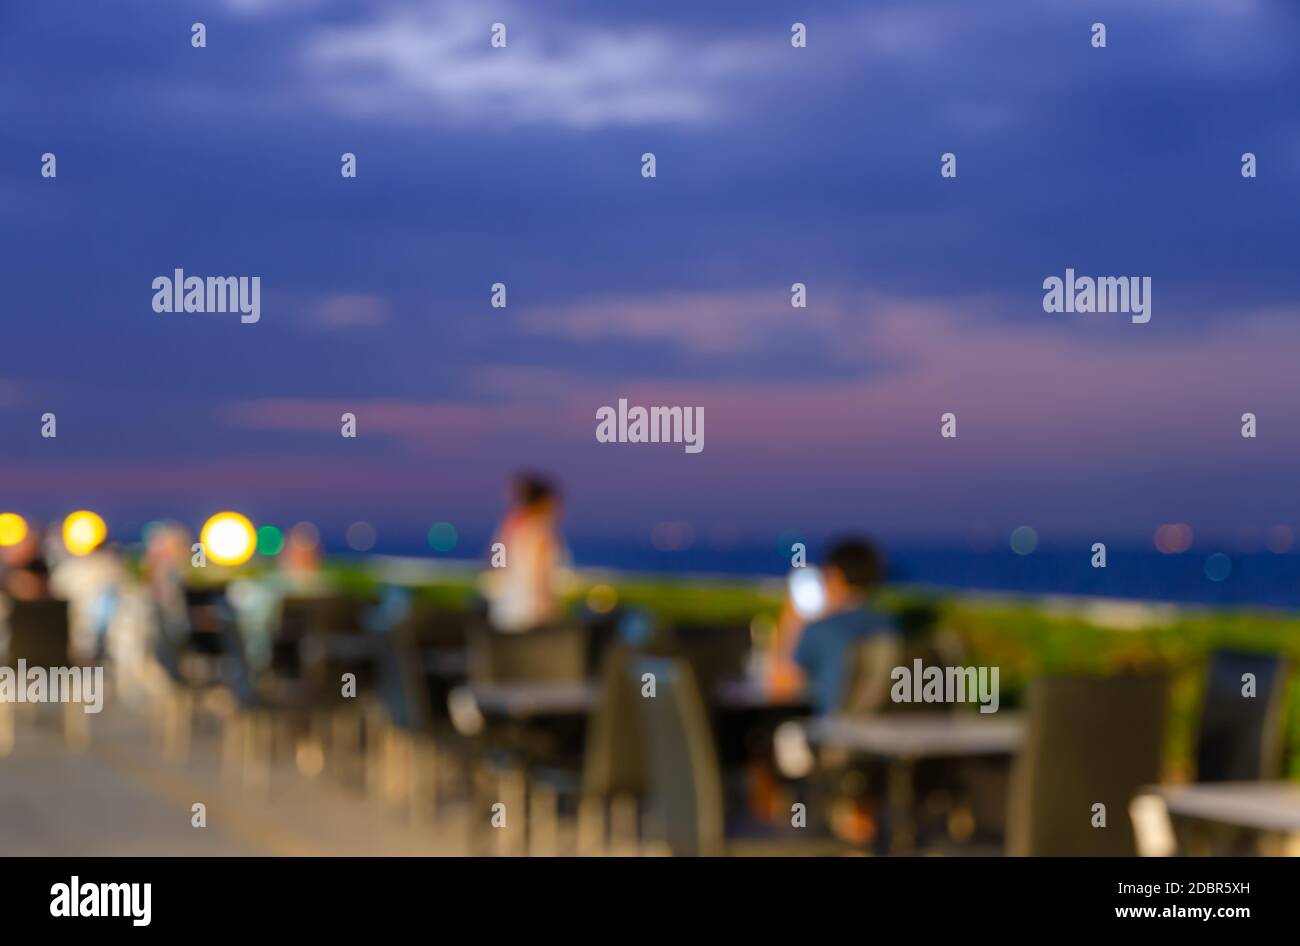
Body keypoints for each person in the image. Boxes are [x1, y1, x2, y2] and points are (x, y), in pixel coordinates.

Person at [770, 536, 898, 715]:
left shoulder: (821, 630)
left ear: (834, 575)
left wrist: (790, 622)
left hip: (826, 732)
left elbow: (780, 691)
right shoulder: (890, 625)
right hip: (874, 729)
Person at [483, 473, 570, 632]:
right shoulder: (541, 532)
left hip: (502, 616)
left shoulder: (505, 530)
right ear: (543, 502)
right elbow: (541, 580)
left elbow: (495, 568)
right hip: (532, 620)